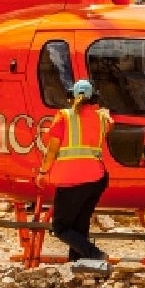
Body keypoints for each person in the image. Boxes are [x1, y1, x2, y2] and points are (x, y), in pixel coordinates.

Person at [37, 79, 113, 273]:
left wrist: (43, 172)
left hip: (71, 179)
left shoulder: (64, 116)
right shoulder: (102, 118)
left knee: (60, 227)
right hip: (96, 178)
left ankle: (94, 254)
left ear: (71, 97)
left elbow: (52, 150)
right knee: (79, 225)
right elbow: (109, 123)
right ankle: (78, 266)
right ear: (93, 98)